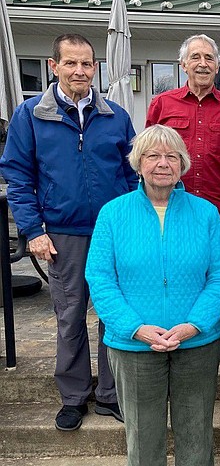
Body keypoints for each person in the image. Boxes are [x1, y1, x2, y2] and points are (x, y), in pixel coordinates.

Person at [85, 124, 220, 466]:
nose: (162, 163)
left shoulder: (205, 213)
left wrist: (194, 324)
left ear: (183, 164)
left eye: (171, 156)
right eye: (153, 156)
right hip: (134, 345)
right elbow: (100, 277)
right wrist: (134, 326)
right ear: (138, 163)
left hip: (195, 343)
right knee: (143, 434)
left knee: (195, 431)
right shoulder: (113, 214)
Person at [0, 33, 137, 431]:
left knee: (113, 315)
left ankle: (111, 394)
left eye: (87, 64)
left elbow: (132, 175)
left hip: (112, 231)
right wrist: (32, 230)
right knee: (70, 315)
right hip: (62, 234)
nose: (80, 71)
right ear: (53, 66)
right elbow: (18, 177)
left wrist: (134, 225)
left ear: (95, 68)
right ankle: (74, 396)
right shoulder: (31, 115)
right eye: (71, 63)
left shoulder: (116, 116)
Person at [146, 33, 220, 364]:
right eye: (195, 57)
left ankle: (217, 332)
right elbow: (147, 153)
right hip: (172, 206)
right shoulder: (163, 104)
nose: (202, 63)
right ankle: (177, 327)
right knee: (177, 269)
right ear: (183, 65)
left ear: (218, 65)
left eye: (209, 57)